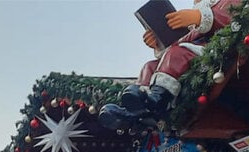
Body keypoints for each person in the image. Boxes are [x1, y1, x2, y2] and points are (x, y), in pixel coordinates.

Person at [99, 0, 241, 130]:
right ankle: (134, 109)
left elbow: (236, 20)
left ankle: (157, 99)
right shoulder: (199, 10)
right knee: (150, 66)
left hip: (217, 50)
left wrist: (199, 17)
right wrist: (158, 42)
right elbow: (182, 41)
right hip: (190, 53)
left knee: (176, 54)